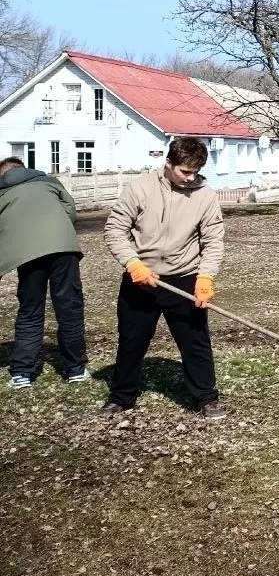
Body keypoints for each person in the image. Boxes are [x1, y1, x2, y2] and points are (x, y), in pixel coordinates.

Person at [102, 137, 227, 418]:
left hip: (184, 278)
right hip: (141, 280)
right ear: (168, 164)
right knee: (132, 340)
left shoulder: (204, 194)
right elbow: (114, 229)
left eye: (196, 172)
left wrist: (205, 278)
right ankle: (122, 396)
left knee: (195, 342)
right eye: (185, 171)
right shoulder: (140, 188)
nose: (190, 178)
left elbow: (213, 240)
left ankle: (206, 397)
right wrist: (133, 263)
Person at [0, 157, 89, 389]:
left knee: (30, 309)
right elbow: (70, 209)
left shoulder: (2, 191)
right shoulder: (49, 181)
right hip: (63, 248)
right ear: (24, 169)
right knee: (69, 306)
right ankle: (75, 369)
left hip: (27, 254)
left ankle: (22, 372)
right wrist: (58, 232)